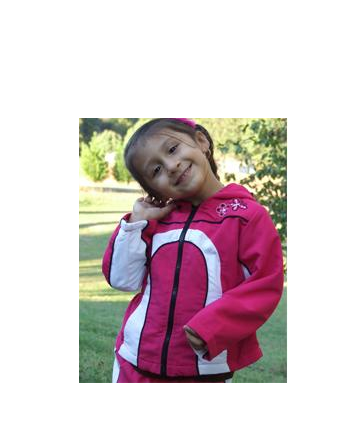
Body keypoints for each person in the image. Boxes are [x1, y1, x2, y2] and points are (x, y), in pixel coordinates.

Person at [102, 118, 284, 383]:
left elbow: (265, 284)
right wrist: (136, 223)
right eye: (156, 170)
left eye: (172, 149)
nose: (171, 166)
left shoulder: (246, 217)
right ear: (153, 189)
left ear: (201, 141)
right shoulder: (156, 221)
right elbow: (122, 279)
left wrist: (213, 326)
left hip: (203, 370)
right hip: (133, 362)